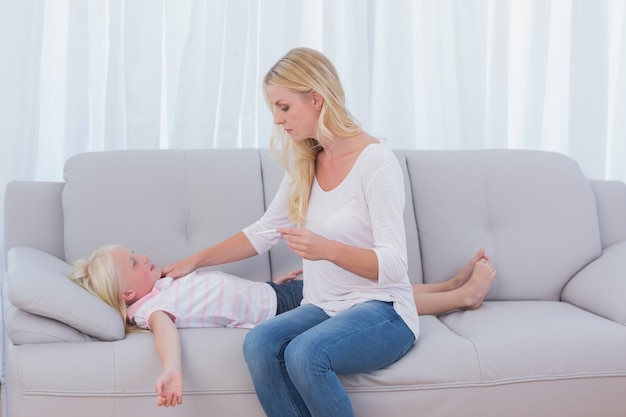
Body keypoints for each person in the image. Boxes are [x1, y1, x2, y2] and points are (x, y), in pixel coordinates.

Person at [162, 47, 496, 417]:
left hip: (384, 311)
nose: (276, 119)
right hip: (323, 305)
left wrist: (327, 249)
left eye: (284, 106)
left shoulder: (375, 162)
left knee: (306, 353)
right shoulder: (307, 161)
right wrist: (194, 261)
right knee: (259, 343)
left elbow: (395, 265)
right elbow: (264, 232)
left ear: (316, 99)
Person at [71, 244, 494, 410]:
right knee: (367, 297)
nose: (143, 256)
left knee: (366, 286)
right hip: (281, 314)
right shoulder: (152, 310)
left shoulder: (162, 284)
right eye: (134, 264)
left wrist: (274, 285)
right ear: (127, 296)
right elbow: (165, 334)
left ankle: (446, 284)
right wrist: (172, 369)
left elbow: (224, 293)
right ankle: (460, 296)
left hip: (278, 294)